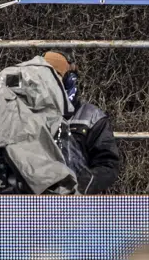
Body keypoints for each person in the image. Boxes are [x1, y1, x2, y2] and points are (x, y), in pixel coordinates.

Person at [43, 51, 121, 194]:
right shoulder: (29, 114)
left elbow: (108, 164)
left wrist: (82, 186)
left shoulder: (92, 117)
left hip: (80, 201)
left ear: (69, 80)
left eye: (55, 77)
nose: (48, 84)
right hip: (37, 200)